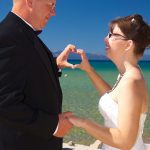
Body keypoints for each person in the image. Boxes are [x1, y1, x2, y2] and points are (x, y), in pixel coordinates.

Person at [0, 0, 76, 150]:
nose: (54, 12)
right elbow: (3, 102)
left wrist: (54, 66)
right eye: (51, 4)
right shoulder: (7, 37)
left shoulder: (21, 33)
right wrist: (53, 126)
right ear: (30, 2)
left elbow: (23, 75)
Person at [68, 14, 150, 150]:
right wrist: (89, 70)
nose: (105, 38)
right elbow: (113, 99)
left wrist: (83, 123)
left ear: (128, 44)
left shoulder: (131, 81)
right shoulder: (127, 74)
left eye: (112, 35)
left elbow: (125, 141)